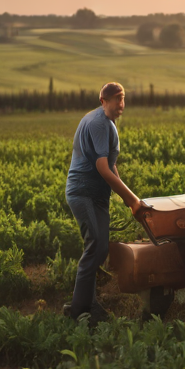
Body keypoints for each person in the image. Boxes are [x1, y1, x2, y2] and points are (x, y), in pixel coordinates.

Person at [65, 82, 141, 324]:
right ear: (103, 101)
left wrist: (129, 196)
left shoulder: (108, 123)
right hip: (83, 192)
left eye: (123, 98)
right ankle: (79, 309)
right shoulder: (98, 123)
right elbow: (101, 168)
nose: (121, 104)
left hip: (98, 195)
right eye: (116, 99)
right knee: (95, 245)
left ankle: (87, 303)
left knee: (101, 248)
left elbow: (111, 166)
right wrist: (132, 200)